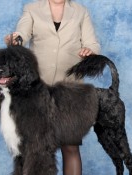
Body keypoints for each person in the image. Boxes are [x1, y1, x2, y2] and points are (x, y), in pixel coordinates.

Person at [5, 0, 100, 174]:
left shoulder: (81, 11)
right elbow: (22, 33)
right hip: (38, 92)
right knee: (36, 148)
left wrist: (89, 50)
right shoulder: (31, 9)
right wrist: (16, 39)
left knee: (70, 147)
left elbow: (92, 44)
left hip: (71, 92)